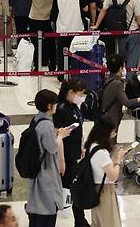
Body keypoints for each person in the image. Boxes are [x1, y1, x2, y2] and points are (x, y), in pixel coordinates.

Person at [26, 89, 70, 226]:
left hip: (37, 169)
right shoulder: (46, 124)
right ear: (49, 106)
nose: (56, 106)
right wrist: (60, 135)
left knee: (37, 206)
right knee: (46, 209)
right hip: (46, 171)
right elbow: (52, 148)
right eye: (54, 104)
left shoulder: (37, 119)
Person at [53, 79, 90, 227]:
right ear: (70, 93)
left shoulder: (74, 106)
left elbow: (78, 127)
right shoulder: (61, 110)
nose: (82, 97)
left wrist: (81, 145)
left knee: (72, 189)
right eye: (80, 94)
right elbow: (59, 136)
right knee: (69, 189)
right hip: (65, 156)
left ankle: (80, 221)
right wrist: (61, 160)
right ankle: (80, 221)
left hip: (73, 153)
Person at [93, 0, 140, 68]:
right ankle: (130, 79)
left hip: (115, 31)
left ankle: (117, 76)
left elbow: (103, 10)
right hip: (132, 32)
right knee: (132, 58)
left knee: (118, 57)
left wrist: (96, 25)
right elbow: (139, 19)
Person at [102, 54, 140, 143]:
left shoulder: (108, 80)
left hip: (105, 117)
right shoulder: (117, 84)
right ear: (120, 68)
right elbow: (127, 102)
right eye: (123, 66)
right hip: (111, 120)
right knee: (110, 145)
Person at [85, 115, 126, 226]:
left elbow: (104, 167)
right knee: (109, 223)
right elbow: (113, 176)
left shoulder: (92, 146)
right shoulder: (101, 152)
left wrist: (113, 158)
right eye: (112, 132)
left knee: (98, 223)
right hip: (105, 191)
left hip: (96, 189)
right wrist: (118, 160)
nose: (113, 135)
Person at [51, 0, 88, 81]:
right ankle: (75, 75)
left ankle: (61, 74)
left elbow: (54, 12)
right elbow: (85, 8)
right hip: (76, 28)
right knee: (75, 53)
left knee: (61, 53)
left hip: (61, 28)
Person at [29, 0, 59, 71]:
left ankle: (37, 66)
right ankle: (52, 66)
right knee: (50, 43)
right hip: (48, 18)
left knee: (36, 44)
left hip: (34, 17)